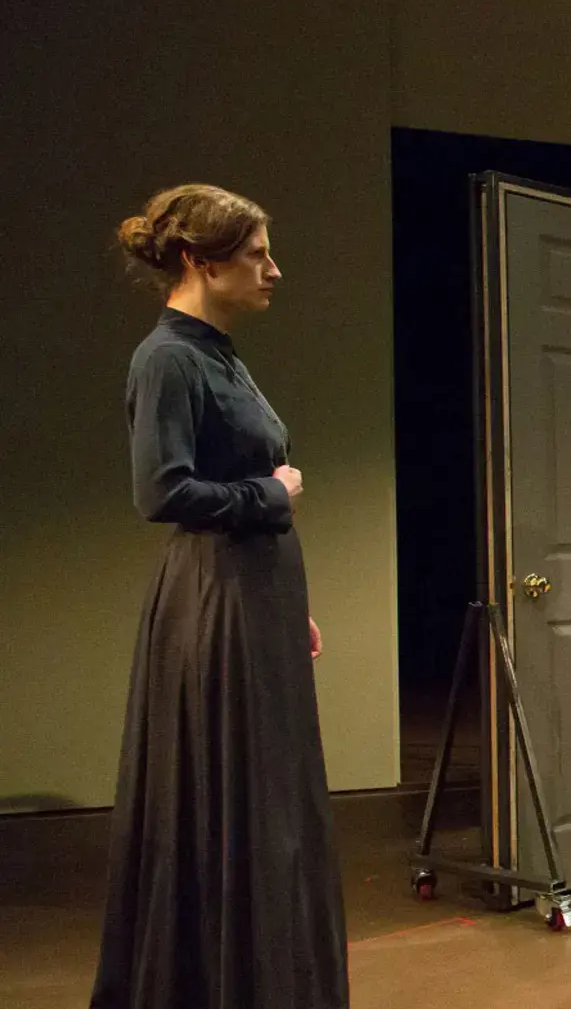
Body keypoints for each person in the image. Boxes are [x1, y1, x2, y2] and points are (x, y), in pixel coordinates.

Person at [93, 185, 349, 1008]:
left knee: (275, 804)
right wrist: (271, 497)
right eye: (256, 256)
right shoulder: (167, 358)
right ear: (203, 262)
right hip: (215, 600)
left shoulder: (217, 351)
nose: (274, 270)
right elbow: (161, 493)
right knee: (241, 807)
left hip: (254, 594)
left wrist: (285, 595)